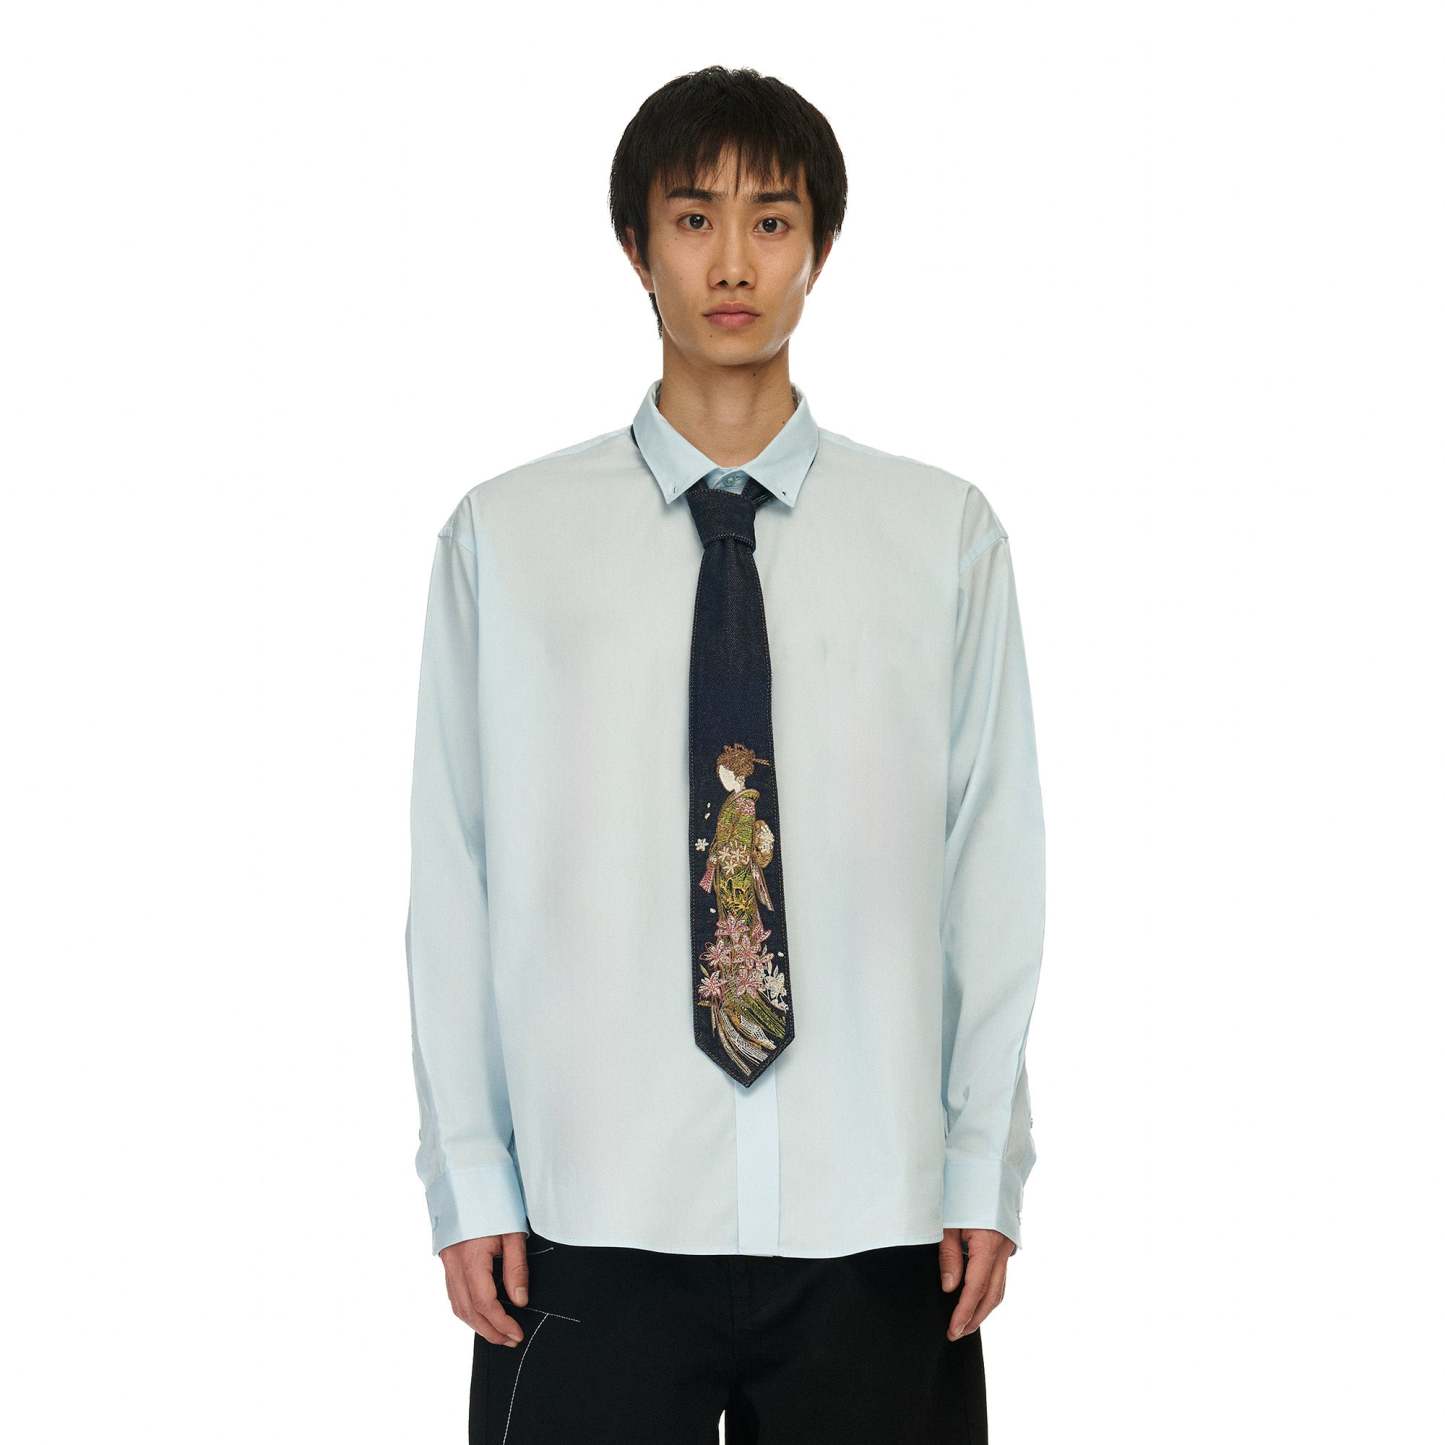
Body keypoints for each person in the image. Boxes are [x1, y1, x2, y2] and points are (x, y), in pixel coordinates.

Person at [405, 64, 1047, 1444]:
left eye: (772, 219)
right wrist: (469, 1170)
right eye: (694, 218)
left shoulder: (940, 537)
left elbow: (991, 859)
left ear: (820, 245)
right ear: (636, 246)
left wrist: (980, 1162)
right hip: (588, 1210)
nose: (734, 261)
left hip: (875, 1212)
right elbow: (455, 868)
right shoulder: (507, 541)